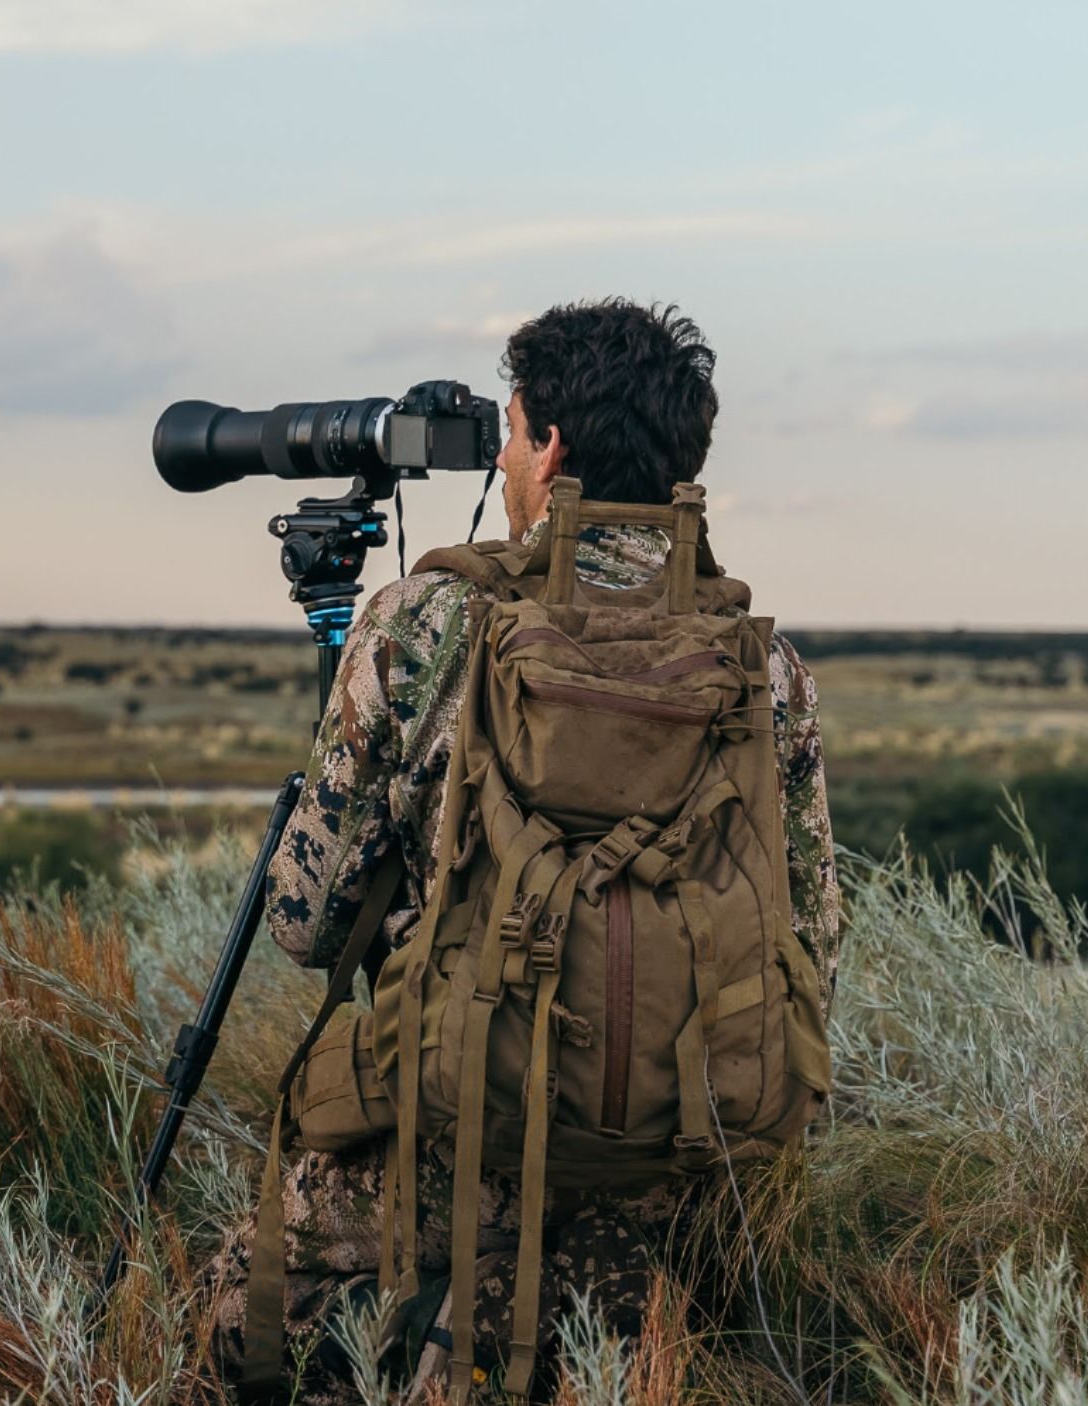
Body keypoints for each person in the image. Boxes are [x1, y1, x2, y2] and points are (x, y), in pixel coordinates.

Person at [198, 301, 841, 1401]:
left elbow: (306, 925)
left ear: (548, 447)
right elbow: (812, 945)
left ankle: (431, 1334)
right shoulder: (764, 669)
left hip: (457, 1142)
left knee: (230, 1310)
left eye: (509, 433)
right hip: (689, 1163)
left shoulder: (423, 622)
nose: (501, 460)